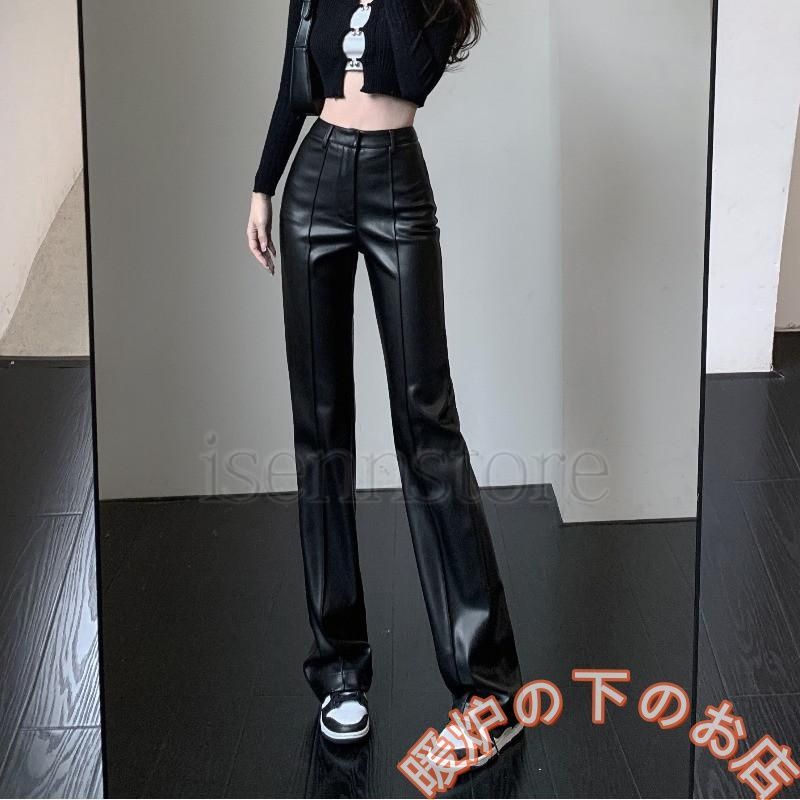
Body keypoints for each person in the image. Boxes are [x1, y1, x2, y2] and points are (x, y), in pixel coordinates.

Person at [246, 0, 523, 764]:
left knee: (428, 426)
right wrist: (263, 185)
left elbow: (410, 74)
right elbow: (294, 86)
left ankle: (487, 689)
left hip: (396, 184)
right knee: (320, 431)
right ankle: (339, 673)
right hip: (312, 187)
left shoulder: (436, 4)